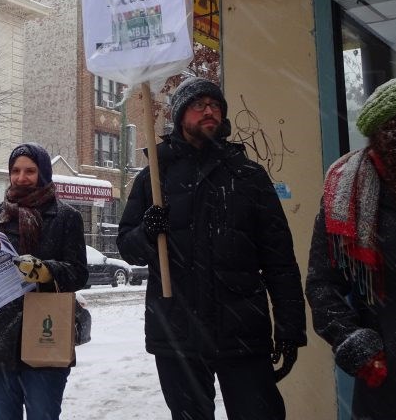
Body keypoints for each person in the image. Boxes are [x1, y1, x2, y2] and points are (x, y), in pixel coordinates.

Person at [117, 77, 307, 420]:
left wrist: (290, 327)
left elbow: (280, 260)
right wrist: (147, 232)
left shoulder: (248, 176)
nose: (209, 110)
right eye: (198, 105)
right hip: (178, 332)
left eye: (215, 105)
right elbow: (127, 248)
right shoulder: (154, 178)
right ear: (179, 116)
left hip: (242, 332)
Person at [306, 75, 396, 419]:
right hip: (389, 378)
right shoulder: (346, 196)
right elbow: (323, 284)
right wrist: (351, 339)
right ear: (381, 136)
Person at [0, 142, 88, 420]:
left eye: (30, 171)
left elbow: (79, 272)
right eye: (16, 170)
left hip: (46, 335)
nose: (21, 177)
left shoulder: (67, 217)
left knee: (43, 415)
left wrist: (47, 271)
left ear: (43, 173)